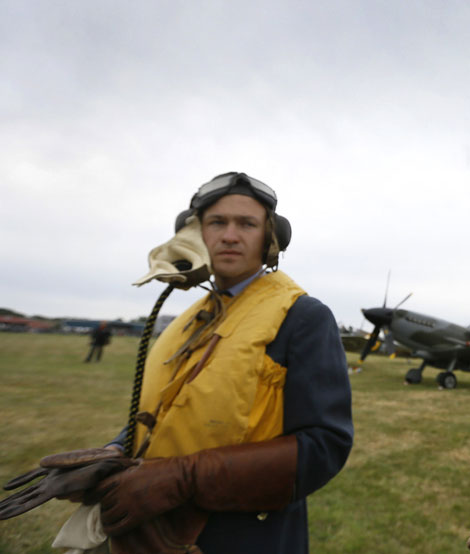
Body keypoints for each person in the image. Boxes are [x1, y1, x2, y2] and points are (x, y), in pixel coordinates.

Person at [78, 172, 351, 553]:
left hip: (246, 537)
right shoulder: (190, 319)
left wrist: (184, 478)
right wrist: (114, 451)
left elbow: (324, 447)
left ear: (269, 238)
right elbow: (171, 412)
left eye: (247, 224)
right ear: (196, 236)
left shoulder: (303, 316)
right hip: (153, 529)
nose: (230, 235)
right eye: (217, 222)